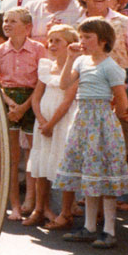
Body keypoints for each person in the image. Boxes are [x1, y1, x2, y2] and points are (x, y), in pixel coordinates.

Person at [75, 0, 128, 225]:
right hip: (90, 96)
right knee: (93, 152)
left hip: (121, 92)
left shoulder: (124, 22)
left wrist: (127, 96)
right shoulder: (78, 24)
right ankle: (94, 214)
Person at [55, 18, 128, 249]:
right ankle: (89, 226)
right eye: (81, 36)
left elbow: (121, 98)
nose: (83, 41)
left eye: (88, 37)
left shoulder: (110, 66)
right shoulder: (81, 61)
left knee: (105, 175)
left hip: (101, 123)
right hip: (83, 120)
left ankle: (109, 229)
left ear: (103, 41)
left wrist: (115, 117)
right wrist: (69, 58)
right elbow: (64, 84)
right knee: (90, 175)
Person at [0, 7, 47, 220]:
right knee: (12, 157)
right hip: (9, 102)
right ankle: (14, 204)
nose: (7, 25)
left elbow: (42, 80)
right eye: (6, 21)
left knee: (33, 154)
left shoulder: (39, 49)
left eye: (13, 21)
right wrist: (9, 103)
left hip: (32, 101)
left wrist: (25, 107)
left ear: (27, 27)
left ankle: (31, 200)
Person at [26, 24, 80, 229]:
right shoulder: (46, 66)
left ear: (70, 44)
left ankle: (66, 212)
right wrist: (40, 120)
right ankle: (39, 209)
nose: (52, 44)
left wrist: (51, 124)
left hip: (61, 123)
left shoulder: (75, 70)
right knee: (41, 165)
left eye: (57, 40)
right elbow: (36, 96)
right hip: (43, 124)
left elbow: (67, 100)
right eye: (50, 40)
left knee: (62, 164)